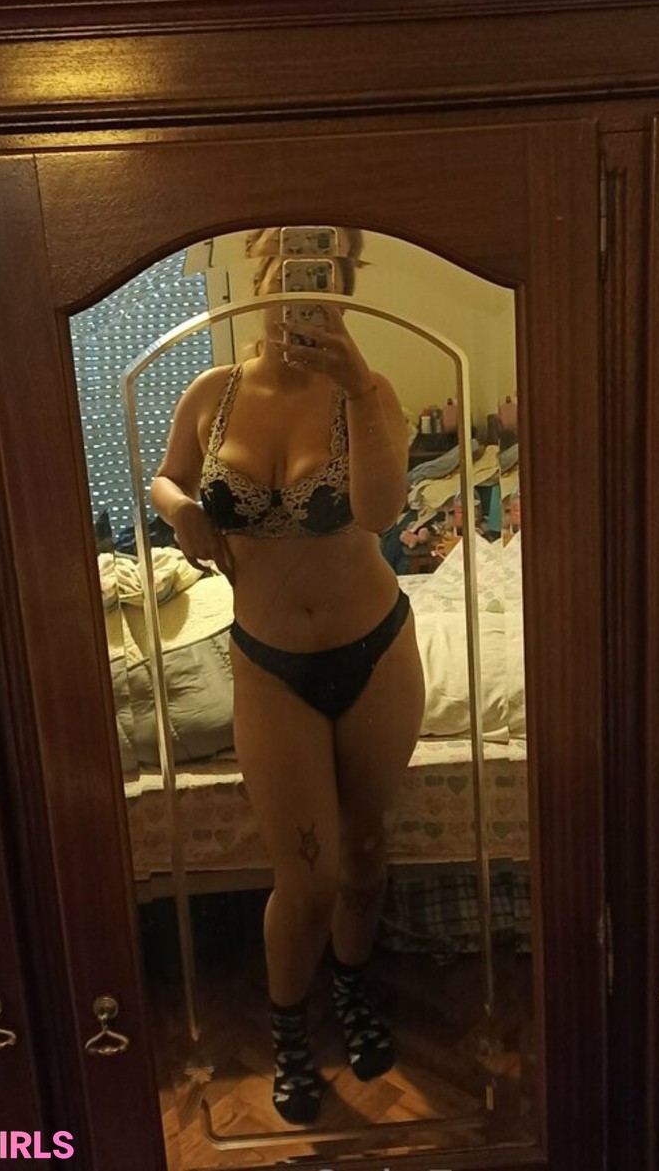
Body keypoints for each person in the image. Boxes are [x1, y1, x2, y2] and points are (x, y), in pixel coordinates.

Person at [150, 228, 425, 1125]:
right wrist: (182, 510)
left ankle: (351, 987)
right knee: (306, 877)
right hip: (270, 667)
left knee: (368, 853)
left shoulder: (368, 392)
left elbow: (380, 511)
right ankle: (289, 1028)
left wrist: (357, 386)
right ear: (259, 279)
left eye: (326, 278)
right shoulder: (211, 393)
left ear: (344, 291)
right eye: (290, 274)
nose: (303, 294)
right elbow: (164, 478)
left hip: (375, 650)